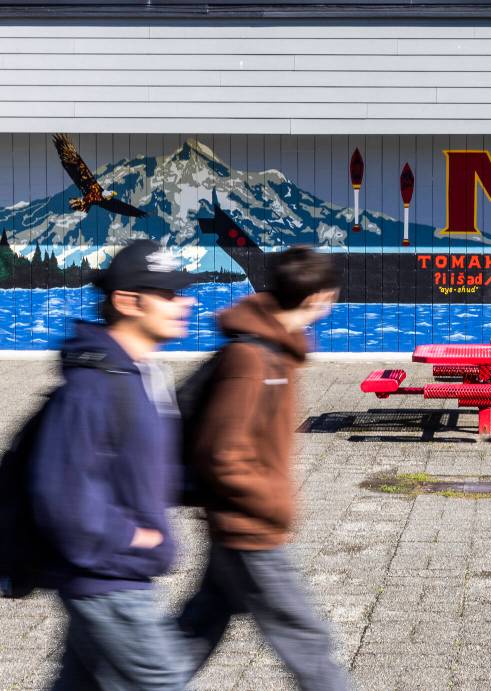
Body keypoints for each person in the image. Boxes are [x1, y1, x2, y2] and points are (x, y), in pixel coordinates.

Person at [178, 246, 347, 690]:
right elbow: (221, 453)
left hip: (237, 523)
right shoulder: (253, 359)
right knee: (308, 641)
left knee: (196, 631)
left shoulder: (277, 350)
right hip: (250, 527)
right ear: (318, 299)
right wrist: (272, 503)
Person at [29, 239, 196, 690]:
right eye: (169, 294)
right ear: (127, 301)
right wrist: (132, 535)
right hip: (111, 579)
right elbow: (59, 493)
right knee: (166, 681)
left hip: (111, 574)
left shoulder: (139, 372)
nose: (186, 301)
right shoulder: (94, 386)